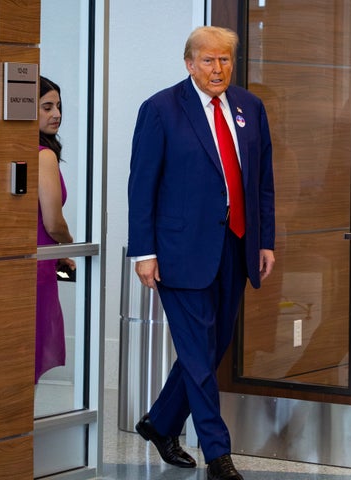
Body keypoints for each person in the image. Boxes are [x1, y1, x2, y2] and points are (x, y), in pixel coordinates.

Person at [127, 26, 275, 480]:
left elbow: (262, 182)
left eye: (225, 60)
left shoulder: (250, 107)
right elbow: (141, 186)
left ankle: (160, 422)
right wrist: (143, 252)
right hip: (178, 251)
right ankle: (218, 454)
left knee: (213, 346)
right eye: (208, 60)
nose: (218, 69)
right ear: (189, 63)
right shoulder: (161, 109)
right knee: (196, 351)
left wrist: (264, 240)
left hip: (235, 244)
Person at [36, 76, 75, 384]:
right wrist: (69, 246)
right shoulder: (43, 155)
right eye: (47, 107)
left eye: (59, 106)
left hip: (38, 262)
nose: (56, 114)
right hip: (40, 266)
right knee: (32, 353)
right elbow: (53, 221)